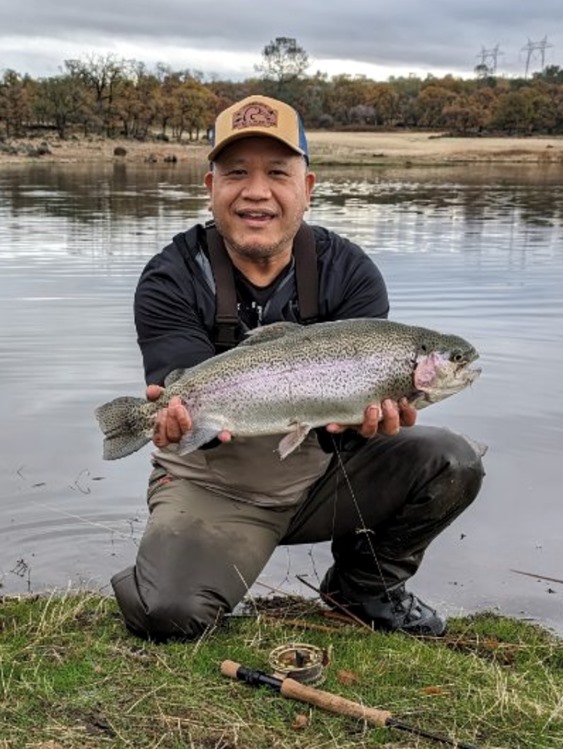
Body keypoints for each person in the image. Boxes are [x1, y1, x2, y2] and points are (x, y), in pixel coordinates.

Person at [111, 94, 484, 641]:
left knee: (452, 461)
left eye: (278, 173)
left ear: (306, 190)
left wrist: (367, 421)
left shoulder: (350, 271)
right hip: (218, 488)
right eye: (236, 172)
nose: (256, 191)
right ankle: (176, 564)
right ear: (210, 186)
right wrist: (171, 423)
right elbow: (186, 402)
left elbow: (356, 429)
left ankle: (363, 589)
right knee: (167, 615)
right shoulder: (171, 277)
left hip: (323, 475)